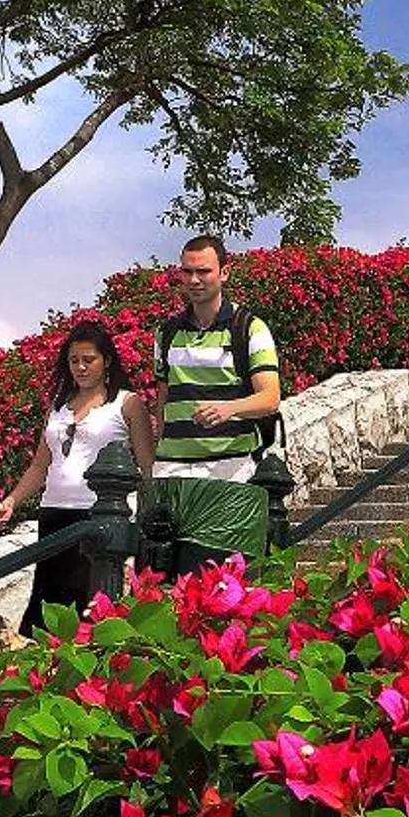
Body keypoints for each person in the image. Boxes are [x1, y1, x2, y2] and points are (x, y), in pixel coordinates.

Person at [0, 318, 155, 630]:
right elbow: (40, 465)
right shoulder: (58, 407)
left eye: (89, 360)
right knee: (48, 605)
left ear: (106, 361)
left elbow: (147, 466)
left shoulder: (126, 403)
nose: (81, 367)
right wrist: (12, 500)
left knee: (87, 609)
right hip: (53, 512)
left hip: (98, 515)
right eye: (74, 360)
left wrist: (147, 515)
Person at [146, 234, 282, 573]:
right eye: (187, 272)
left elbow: (270, 397)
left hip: (229, 468)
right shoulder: (167, 333)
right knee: (164, 574)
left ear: (224, 274)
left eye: (203, 271)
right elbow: (163, 396)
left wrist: (228, 409)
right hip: (172, 469)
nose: (194, 280)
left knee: (220, 575)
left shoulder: (250, 328)